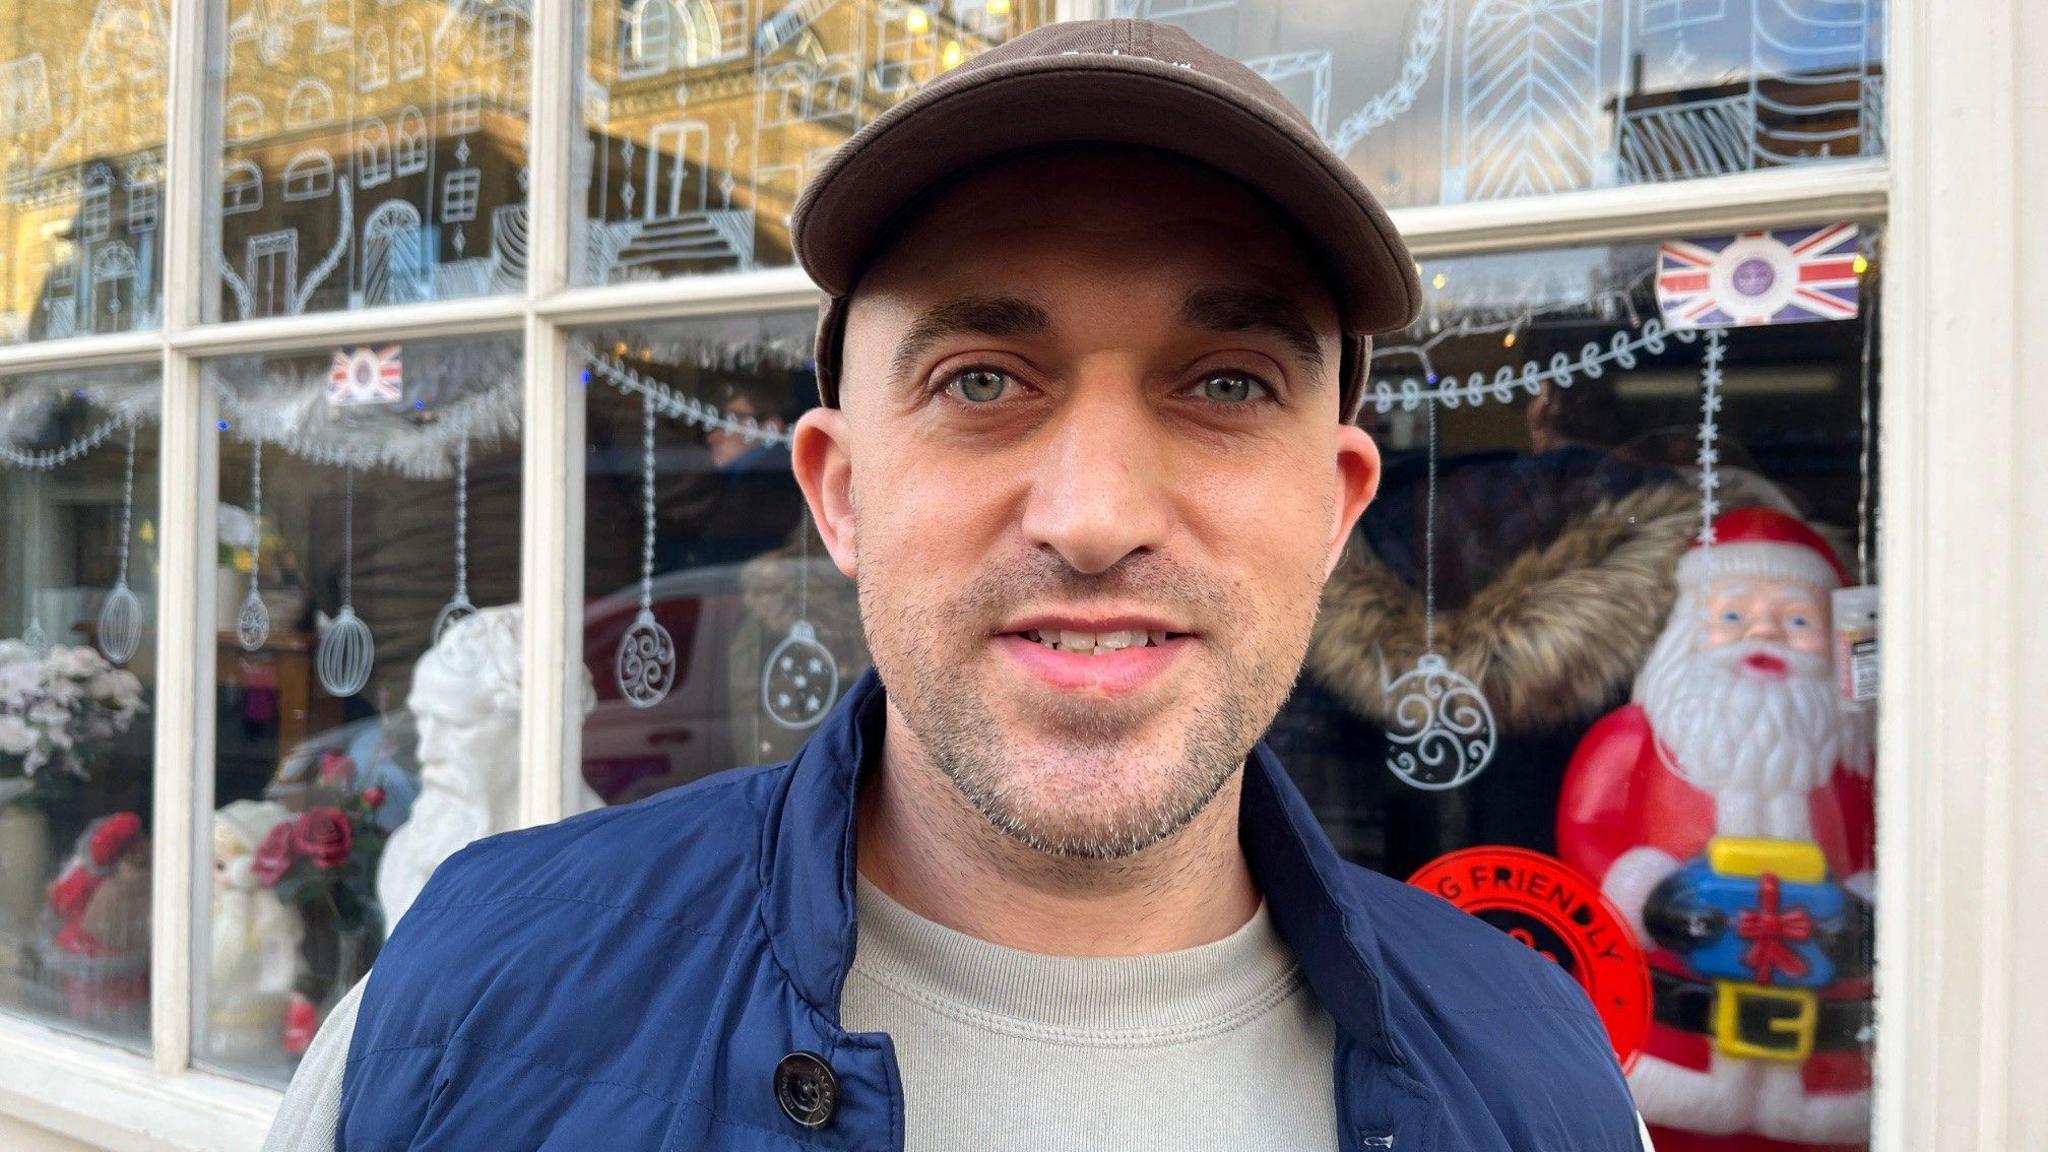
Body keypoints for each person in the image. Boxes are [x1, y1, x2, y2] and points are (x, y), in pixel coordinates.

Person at [265, 19, 1647, 1150]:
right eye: (981, 381)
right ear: (843, 491)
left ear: (1336, 506)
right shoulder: (468, 1001)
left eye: (1226, 385)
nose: (1097, 518)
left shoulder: (1536, 1075)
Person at [1559, 507, 1874, 1151]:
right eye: (1732, 616)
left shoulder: (1857, 758)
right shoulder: (1637, 739)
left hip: (1822, 1060)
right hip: (1672, 1045)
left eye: (1797, 619)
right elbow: (1586, 829)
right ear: (1687, 632)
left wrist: (1865, 912)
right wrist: (1650, 896)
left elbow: (1904, 843)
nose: (1765, 633)